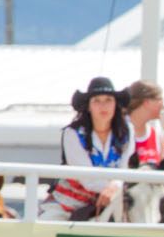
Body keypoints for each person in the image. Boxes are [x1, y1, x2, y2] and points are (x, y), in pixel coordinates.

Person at [39, 77, 132, 221]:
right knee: (45, 229)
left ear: (116, 104)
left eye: (108, 100)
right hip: (69, 204)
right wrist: (113, 187)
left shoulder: (126, 132)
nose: (103, 106)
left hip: (113, 202)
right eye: (97, 101)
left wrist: (116, 185)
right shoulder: (73, 133)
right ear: (88, 106)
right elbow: (88, 179)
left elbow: (125, 169)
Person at [124, 79, 164, 166]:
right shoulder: (118, 130)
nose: (162, 105)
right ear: (147, 102)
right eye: (160, 100)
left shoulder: (156, 136)